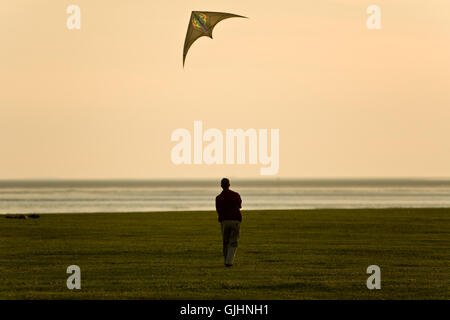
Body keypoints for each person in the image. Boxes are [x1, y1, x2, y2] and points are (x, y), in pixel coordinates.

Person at [215, 178, 242, 267]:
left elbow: (218, 210)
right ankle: (229, 262)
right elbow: (239, 206)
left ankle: (226, 260)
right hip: (235, 220)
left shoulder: (218, 198)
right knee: (233, 241)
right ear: (229, 185)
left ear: (221, 185)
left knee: (225, 241)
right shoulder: (236, 195)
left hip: (224, 221)